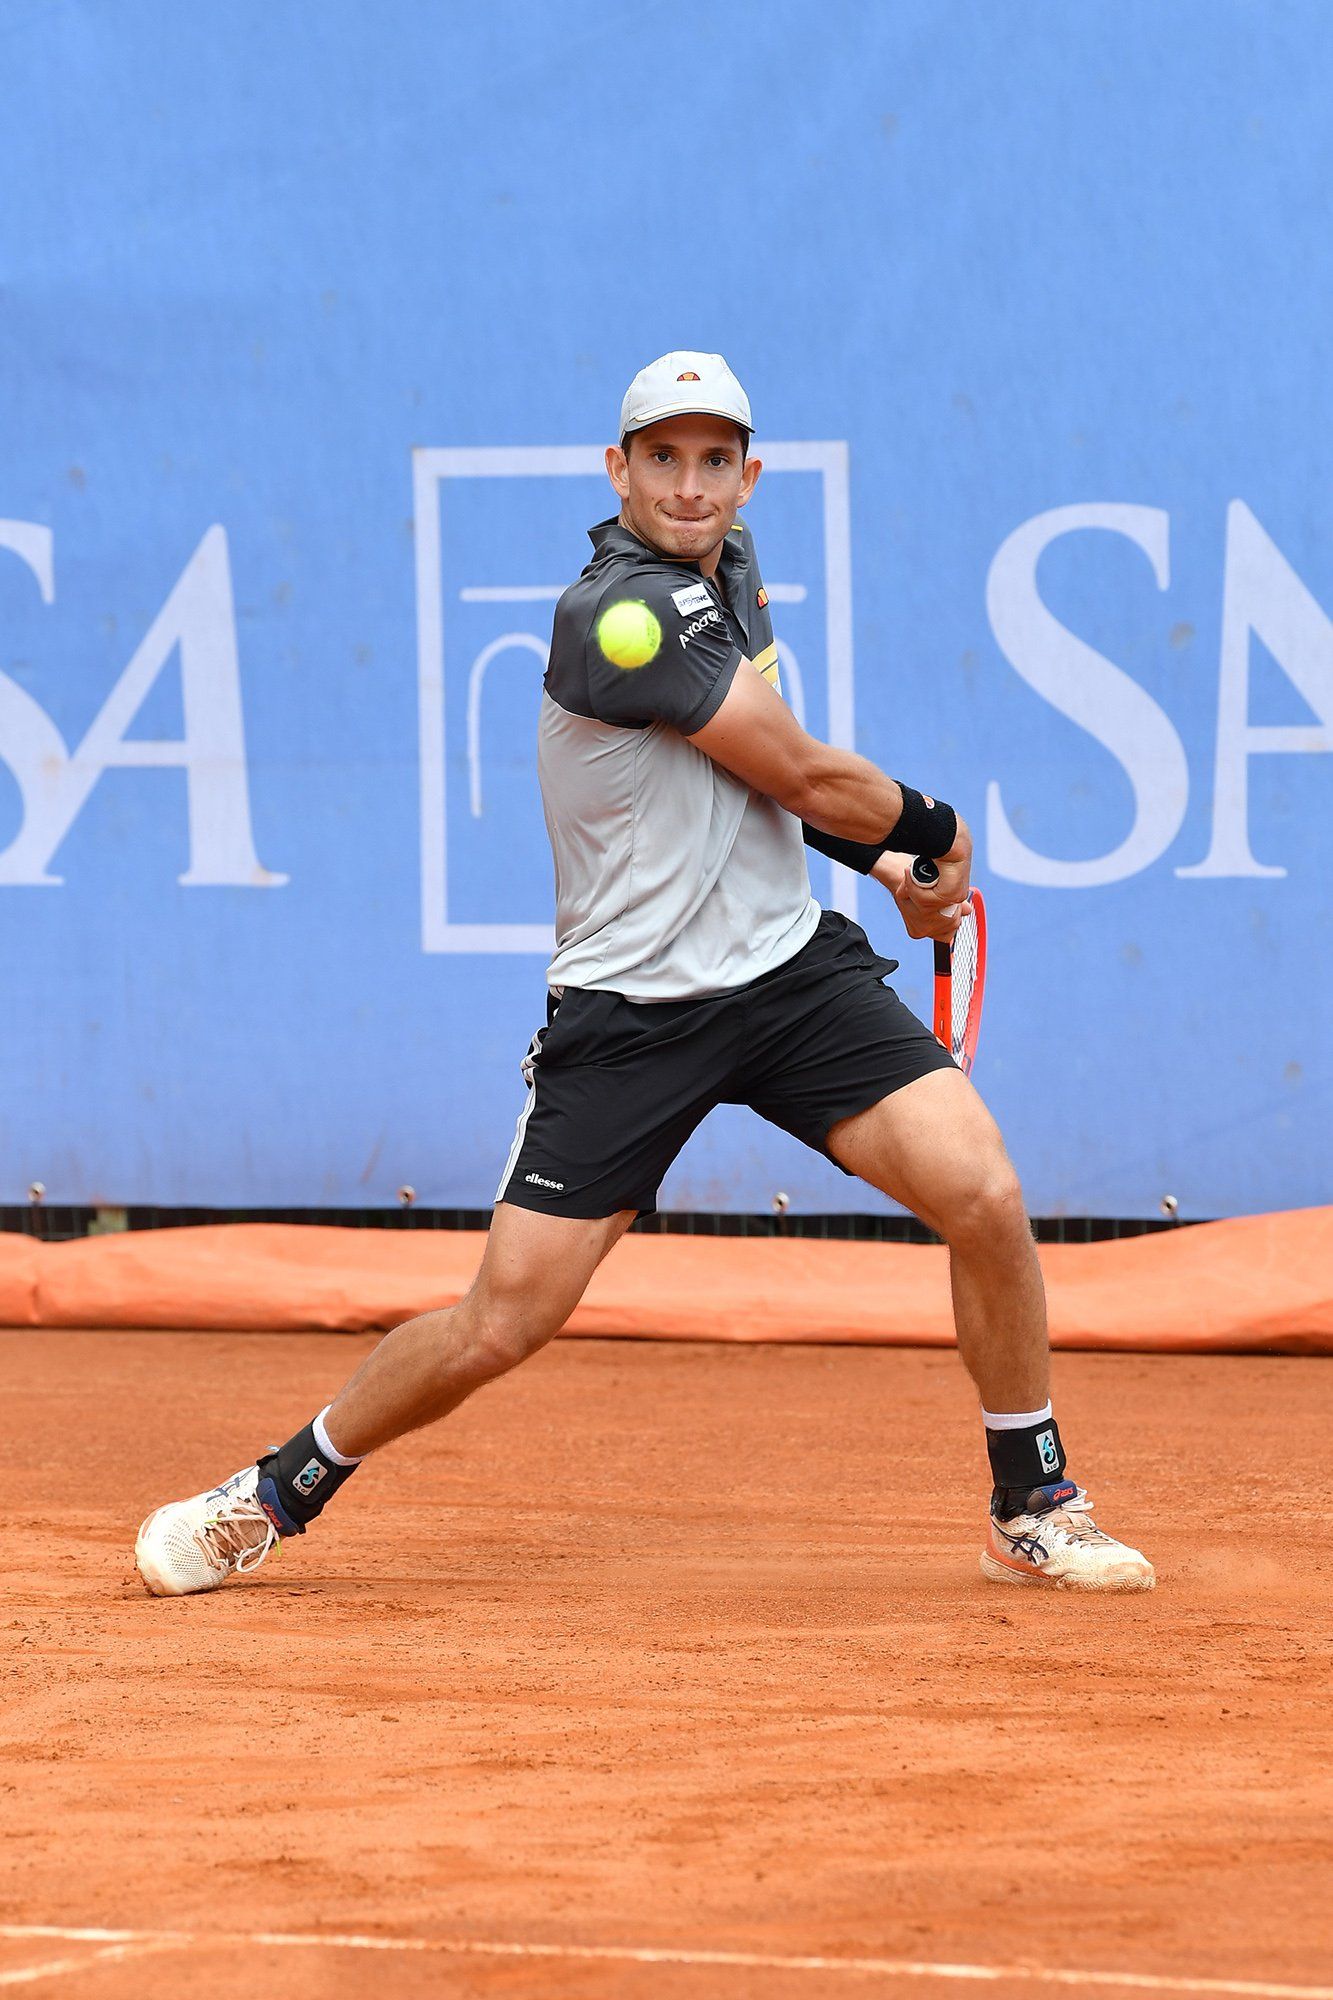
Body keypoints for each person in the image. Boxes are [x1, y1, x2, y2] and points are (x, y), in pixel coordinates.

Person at [135, 350, 1154, 1598]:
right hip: (631, 1014)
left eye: (713, 459)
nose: (689, 484)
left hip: (789, 976)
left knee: (982, 1191)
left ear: (748, 475)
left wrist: (874, 858)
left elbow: (762, 773)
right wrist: (933, 835)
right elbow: (804, 770)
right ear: (617, 471)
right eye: (661, 458)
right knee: (502, 1319)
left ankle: (1030, 1499)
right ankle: (271, 1490)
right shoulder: (616, 612)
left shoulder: (734, 573)